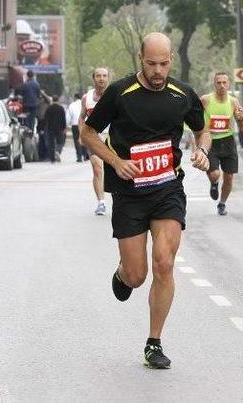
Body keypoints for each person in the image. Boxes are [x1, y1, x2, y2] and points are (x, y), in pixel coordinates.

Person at [81, 32, 211, 369]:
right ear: (141, 58)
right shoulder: (120, 93)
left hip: (168, 188)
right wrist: (116, 162)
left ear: (171, 60)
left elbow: (202, 129)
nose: (157, 70)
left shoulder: (182, 94)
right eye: (151, 63)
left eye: (164, 64)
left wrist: (202, 151)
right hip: (129, 193)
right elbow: (88, 133)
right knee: (139, 275)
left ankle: (154, 342)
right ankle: (124, 274)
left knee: (165, 263)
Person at [201, 72, 243, 215]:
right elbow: (195, 120)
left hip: (228, 141)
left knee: (229, 177)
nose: (221, 85)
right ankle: (214, 183)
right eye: (218, 82)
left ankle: (222, 203)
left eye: (224, 83)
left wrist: (240, 119)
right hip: (211, 141)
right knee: (215, 174)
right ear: (214, 84)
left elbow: (242, 128)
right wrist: (197, 141)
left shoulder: (234, 102)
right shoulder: (205, 100)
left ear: (229, 84)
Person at [80, 68, 110, 215]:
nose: (101, 78)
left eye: (104, 76)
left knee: (115, 170)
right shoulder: (87, 97)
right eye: (98, 76)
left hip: (112, 138)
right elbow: (81, 117)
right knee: (97, 168)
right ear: (94, 78)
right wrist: (82, 134)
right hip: (94, 138)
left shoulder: (114, 95)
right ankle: (101, 202)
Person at [43, 95, 67, 163]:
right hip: (60, 128)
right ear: (58, 100)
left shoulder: (49, 108)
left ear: (52, 100)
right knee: (60, 141)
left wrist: (44, 127)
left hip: (51, 128)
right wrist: (64, 128)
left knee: (51, 143)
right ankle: (57, 151)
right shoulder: (61, 108)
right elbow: (63, 118)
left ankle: (52, 158)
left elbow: (46, 118)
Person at [68, 93, 86, 162]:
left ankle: (79, 157)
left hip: (75, 125)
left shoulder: (72, 105)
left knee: (76, 140)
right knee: (84, 140)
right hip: (84, 124)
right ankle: (85, 155)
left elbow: (69, 117)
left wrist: (68, 124)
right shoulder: (84, 104)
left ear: (75, 97)